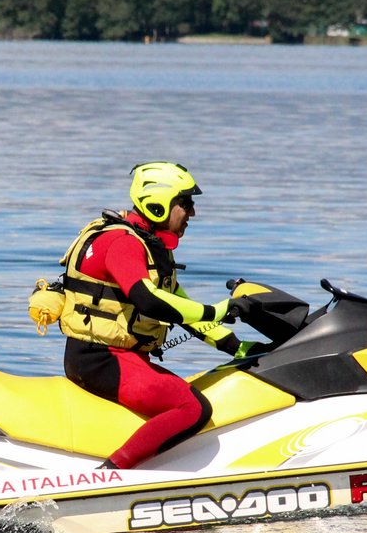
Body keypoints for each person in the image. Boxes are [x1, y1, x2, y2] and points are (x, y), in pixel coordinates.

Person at [57, 161, 249, 471]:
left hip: (115, 356)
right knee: (191, 407)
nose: (192, 213)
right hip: (101, 360)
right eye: (185, 203)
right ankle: (110, 476)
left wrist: (236, 347)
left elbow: (179, 305)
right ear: (159, 203)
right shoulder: (122, 243)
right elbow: (147, 300)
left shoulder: (149, 244)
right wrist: (219, 310)